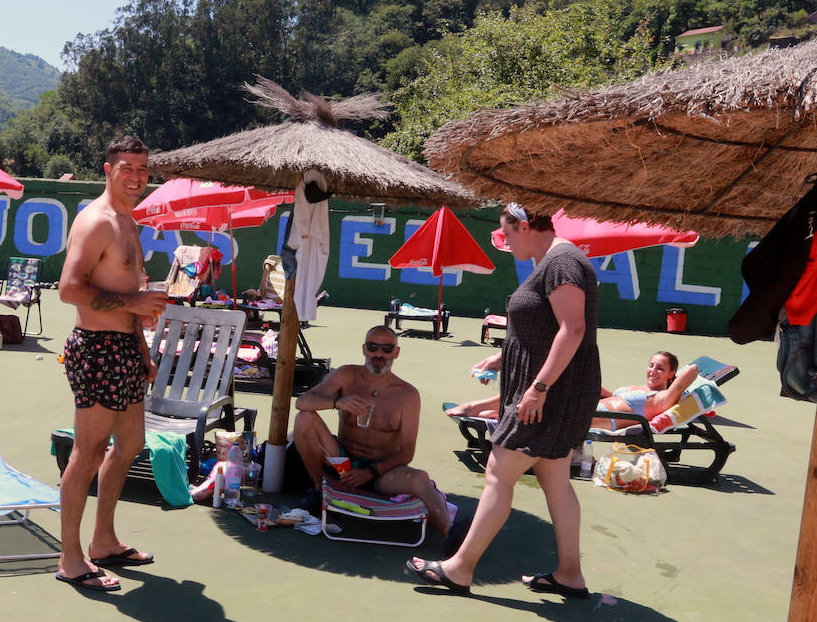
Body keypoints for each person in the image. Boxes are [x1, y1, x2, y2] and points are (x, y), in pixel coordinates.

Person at [408, 203, 600, 599]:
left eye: (507, 233)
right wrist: (506, 353)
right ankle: (570, 575)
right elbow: (546, 327)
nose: (503, 241)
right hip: (556, 390)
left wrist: (538, 389)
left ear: (526, 226)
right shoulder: (554, 260)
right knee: (555, 480)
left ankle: (459, 569)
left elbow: (573, 328)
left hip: (550, 394)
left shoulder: (562, 261)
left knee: (499, 473)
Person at [54, 135, 168, 592]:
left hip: (124, 350)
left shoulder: (129, 222)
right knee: (87, 453)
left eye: (143, 169)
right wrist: (134, 300)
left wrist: (142, 349)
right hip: (97, 348)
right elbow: (68, 289)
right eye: (127, 168)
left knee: (131, 444)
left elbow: (129, 302)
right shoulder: (95, 222)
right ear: (108, 169)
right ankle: (70, 558)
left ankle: (103, 542)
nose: (137, 177)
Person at [292, 325, 452, 534]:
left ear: (396, 353)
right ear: (364, 349)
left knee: (420, 478)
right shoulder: (347, 375)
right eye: (373, 347)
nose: (379, 354)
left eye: (386, 349)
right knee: (304, 419)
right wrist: (338, 402)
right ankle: (318, 489)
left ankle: (452, 535)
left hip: (381, 473)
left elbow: (406, 452)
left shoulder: (407, 395)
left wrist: (369, 473)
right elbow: (303, 402)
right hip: (343, 462)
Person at [446, 351, 697, 428]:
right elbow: (613, 397)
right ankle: (492, 412)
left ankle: (475, 408)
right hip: (593, 406)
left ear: (672, 374)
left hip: (599, 418)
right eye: (651, 365)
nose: (652, 371)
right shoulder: (639, 388)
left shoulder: (663, 398)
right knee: (539, 387)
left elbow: (691, 371)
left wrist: (687, 373)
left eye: (660, 368)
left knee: (539, 393)